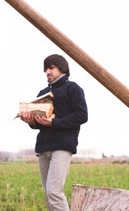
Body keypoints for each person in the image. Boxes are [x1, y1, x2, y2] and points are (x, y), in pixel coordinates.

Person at [21, 54, 88, 211]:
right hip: (43, 147)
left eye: (51, 68)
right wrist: (30, 120)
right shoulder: (42, 93)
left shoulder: (73, 88)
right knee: (49, 193)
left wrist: (54, 122)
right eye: (45, 69)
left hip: (62, 146)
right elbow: (38, 124)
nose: (47, 72)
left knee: (54, 192)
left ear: (62, 68)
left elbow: (82, 115)